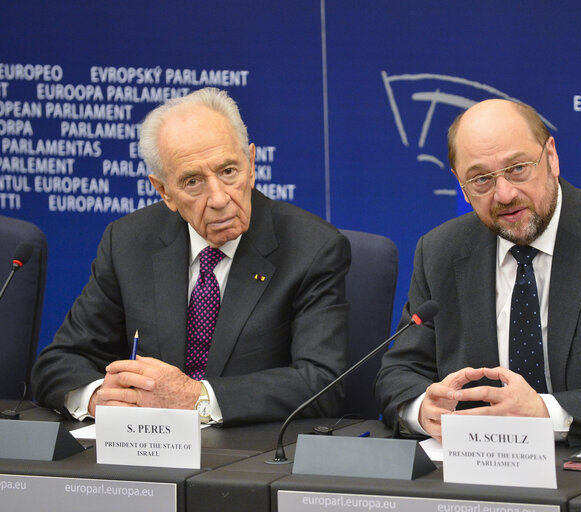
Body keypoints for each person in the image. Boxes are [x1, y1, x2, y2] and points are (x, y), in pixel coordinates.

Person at [375, 98, 581, 445]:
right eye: (482, 179)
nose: (505, 194)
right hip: (479, 474)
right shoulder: (441, 251)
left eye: (518, 168)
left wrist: (544, 412)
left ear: (551, 157)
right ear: (462, 186)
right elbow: (398, 373)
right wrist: (424, 409)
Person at [31, 87, 350, 426]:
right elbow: (59, 362)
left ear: (252, 163)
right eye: (193, 181)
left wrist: (198, 400)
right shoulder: (128, 242)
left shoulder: (312, 248)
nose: (218, 198)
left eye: (228, 171)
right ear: (164, 190)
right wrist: (100, 399)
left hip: (246, 455)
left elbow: (323, 383)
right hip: (144, 453)